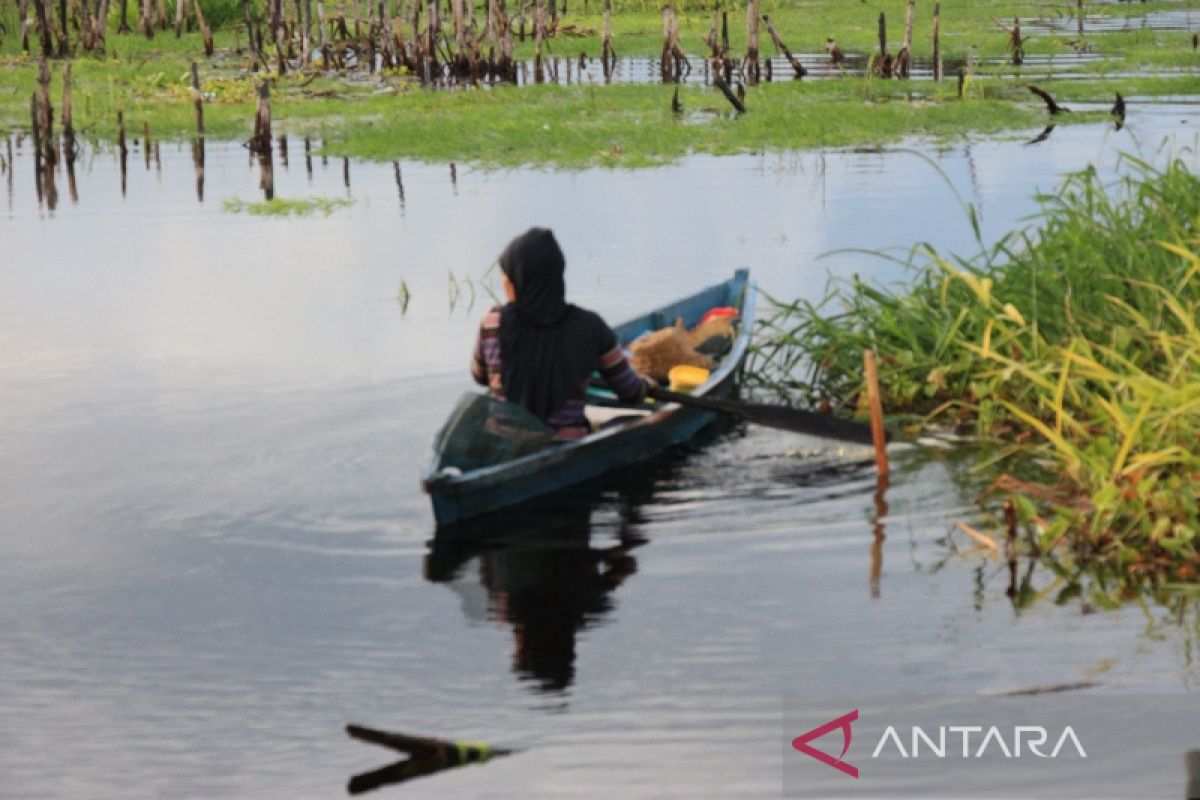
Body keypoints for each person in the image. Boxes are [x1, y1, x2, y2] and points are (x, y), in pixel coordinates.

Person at [470, 227, 651, 439]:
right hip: (563, 443)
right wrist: (646, 385)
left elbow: (480, 376)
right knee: (636, 421)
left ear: (520, 280)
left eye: (507, 275)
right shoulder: (591, 327)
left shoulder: (492, 322)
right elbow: (630, 392)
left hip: (504, 445)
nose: (504, 281)